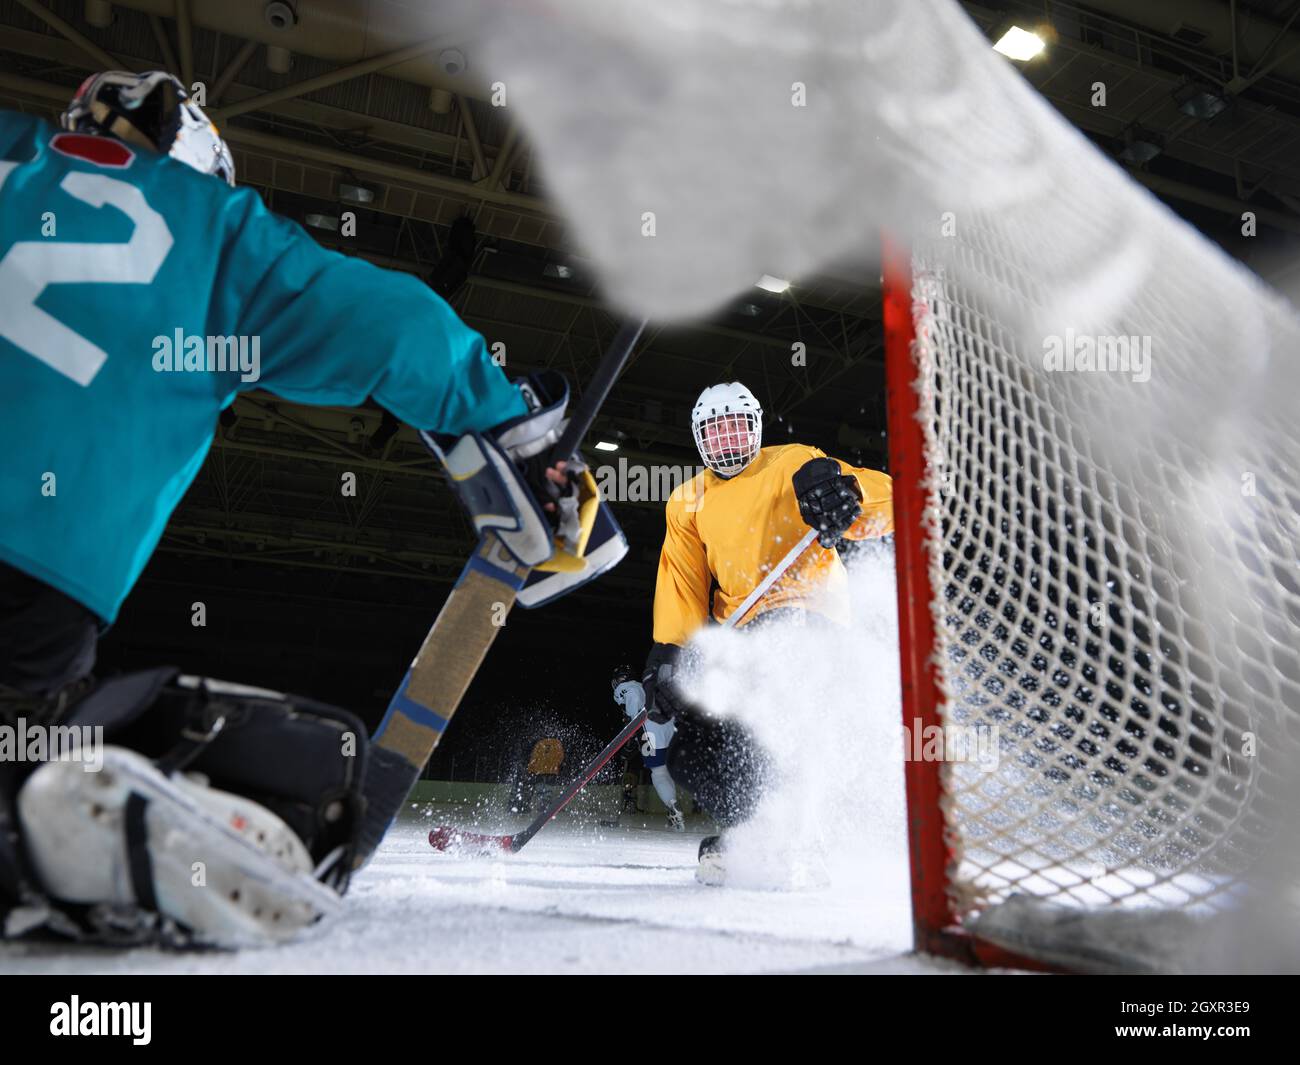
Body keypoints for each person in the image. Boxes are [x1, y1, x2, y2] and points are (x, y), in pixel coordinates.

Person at [0, 71, 604, 948]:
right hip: (37, 577)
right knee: (39, 732)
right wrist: (510, 431)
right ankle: (62, 825)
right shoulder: (215, 231)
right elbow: (398, 329)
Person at [640, 382, 893, 882]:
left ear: (755, 427)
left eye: (737, 426)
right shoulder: (687, 502)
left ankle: (804, 833)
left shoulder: (794, 463)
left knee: (776, 726)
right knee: (694, 748)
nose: (728, 440)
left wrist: (845, 494)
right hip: (743, 633)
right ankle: (748, 833)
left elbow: (880, 496)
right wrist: (669, 653)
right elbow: (682, 583)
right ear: (698, 439)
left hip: (812, 618)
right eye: (716, 430)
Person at [611, 665, 685, 831]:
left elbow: (633, 699)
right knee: (664, 770)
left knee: (657, 771)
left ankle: (671, 805)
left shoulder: (627, 688)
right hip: (667, 727)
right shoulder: (643, 685)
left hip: (650, 730)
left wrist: (630, 734)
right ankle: (672, 805)